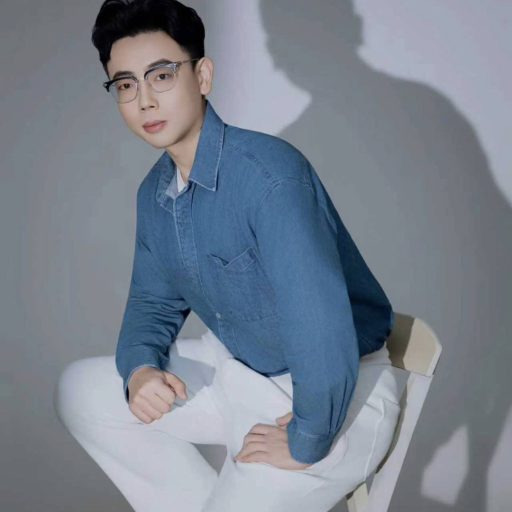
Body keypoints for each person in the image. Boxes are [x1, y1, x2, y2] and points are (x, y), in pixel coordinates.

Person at [53, 1, 402, 510]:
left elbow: (319, 324)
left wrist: (309, 436)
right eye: (126, 84)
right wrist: (141, 370)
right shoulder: (154, 194)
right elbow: (152, 305)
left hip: (339, 396)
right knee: (81, 390)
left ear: (203, 76)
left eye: (161, 75)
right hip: (240, 374)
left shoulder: (269, 176)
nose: (145, 100)